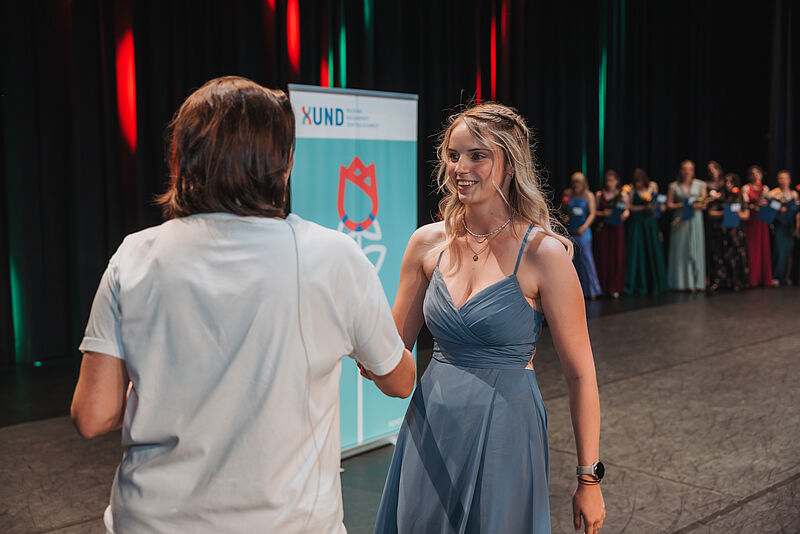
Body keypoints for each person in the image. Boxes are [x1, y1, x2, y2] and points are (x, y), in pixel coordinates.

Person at [70, 76, 416, 534]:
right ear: (283, 163)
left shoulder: (135, 255)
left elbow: (93, 415)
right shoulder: (333, 256)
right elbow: (400, 381)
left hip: (152, 521)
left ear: (180, 159)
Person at [372, 103, 605, 534]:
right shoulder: (427, 244)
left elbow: (581, 375)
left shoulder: (544, 254)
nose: (461, 168)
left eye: (477, 156)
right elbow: (391, 353)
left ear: (510, 165)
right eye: (453, 155)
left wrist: (588, 478)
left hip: (506, 430)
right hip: (431, 424)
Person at [625, 168, 667, 294]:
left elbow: (658, 201)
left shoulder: (653, 186)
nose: (638, 184)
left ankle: (655, 283)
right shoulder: (632, 190)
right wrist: (643, 207)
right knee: (637, 251)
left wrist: (656, 208)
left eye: (639, 181)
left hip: (649, 223)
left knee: (652, 249)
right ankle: (637, 284)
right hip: (637, 222)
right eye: (636, 181)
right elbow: (629, 206)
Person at [666, 160, 707, 291]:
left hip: (695, 219)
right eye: (684, 169)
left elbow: (704, 204)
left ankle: (696, 282)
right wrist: (683, 205)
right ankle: (680, 283)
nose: (687, 172)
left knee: (695, 248)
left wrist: (695, 205)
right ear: (681, 171)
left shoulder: (700, 184)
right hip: (680, 219)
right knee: (680, 250)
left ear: (693, 171)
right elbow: (669, 205)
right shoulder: (674, 186)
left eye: (689, 169)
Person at [707, 173, 749, 291]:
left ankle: (737, 281)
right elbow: (711, 213)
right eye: (726, 182)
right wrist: (724, 213)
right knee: (720, 256)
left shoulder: (740, 197)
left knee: (736, 256)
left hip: (735, 232)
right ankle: (721, 281)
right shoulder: (720, 197)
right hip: (721, 231)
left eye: (731, 182)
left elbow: (746, 215)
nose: (728, 184)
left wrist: (737, 213)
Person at [564, 172, 603, 299]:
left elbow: (592, 213)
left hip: (583, 232)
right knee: (572, 261)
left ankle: (592, 291)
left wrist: (584, 227)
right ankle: (573, 292)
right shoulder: (567, 194)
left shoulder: (589, 195)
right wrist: (564, 217)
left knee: (586, 260)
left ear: (583, 183)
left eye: (579, 182)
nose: (576, 184)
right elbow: (563, 210)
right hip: (571, 231)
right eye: (574, 181)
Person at [594, 169, 629, 298]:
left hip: (617, 229)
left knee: (617, 257)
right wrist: (603, 213)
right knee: (604, 257)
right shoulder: (600, 195)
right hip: (605, 229)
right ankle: (603, 287)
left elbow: (627, 210)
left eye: (611, 180)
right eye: (607, 180)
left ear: (617, 181)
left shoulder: (622, 195)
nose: (609, 183)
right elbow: (594, 211)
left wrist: (625, 214)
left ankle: (615, 287)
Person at [742, 165, 773, 287]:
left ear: (761, 175)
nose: (755, 176)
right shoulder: (746, 188)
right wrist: (754, 205)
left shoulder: (765, 189)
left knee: (763, 247)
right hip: (752, 220)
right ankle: (753, 279)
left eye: (758, 173)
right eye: (753, 174)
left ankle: (765, 279)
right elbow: (745, 204)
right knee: (752, 248)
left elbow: (770, 204)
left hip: (762, 220)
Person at [769, 170, 798, 285]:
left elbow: (796, 209)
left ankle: (786, 277)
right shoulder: (774, 193)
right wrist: (779, 207)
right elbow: (769, 204)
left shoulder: (794, 194)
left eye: (785, 178)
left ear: (789, 180)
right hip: (779, 225)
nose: (783, 181)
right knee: (778, 250)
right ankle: (776, 276)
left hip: (790, 226)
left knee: (788, 251)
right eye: (781, 178)